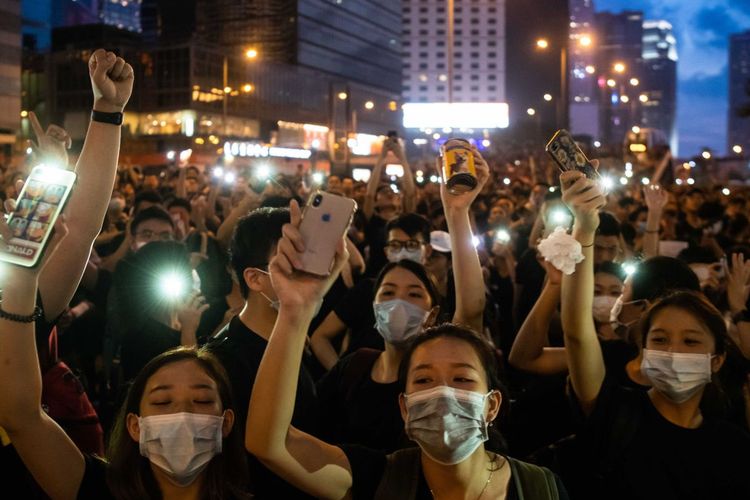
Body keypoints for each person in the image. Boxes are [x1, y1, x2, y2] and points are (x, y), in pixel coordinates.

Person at [245, 151, 567, 500]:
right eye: (424, 380)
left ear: (492, 405)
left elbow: (472, 307)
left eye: (461, 378)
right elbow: (269, 443)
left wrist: (457, 213)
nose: (442, 394)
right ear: (404, 405)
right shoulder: (377, 478)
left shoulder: (539, 488)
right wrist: (295, 312)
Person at [0, 215, 250, 499]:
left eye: (203, 400)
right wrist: (21, 281)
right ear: (135, 425)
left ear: (226, 421)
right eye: (162, 401)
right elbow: (20, 415)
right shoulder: (101, 490)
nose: (183, 415)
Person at [559, 168, 750, 500]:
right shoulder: (615, 414)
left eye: (691, 341)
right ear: (642, 348)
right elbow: (576, 332)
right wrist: (584, 228)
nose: (674, 351)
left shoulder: (735, 445)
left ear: (717, 360)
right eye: (660, 340)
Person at [206, 207, 319, 500]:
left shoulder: (300, 341)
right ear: (255, 279)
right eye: (291, 261)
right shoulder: (220, 363)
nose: (308, 272)